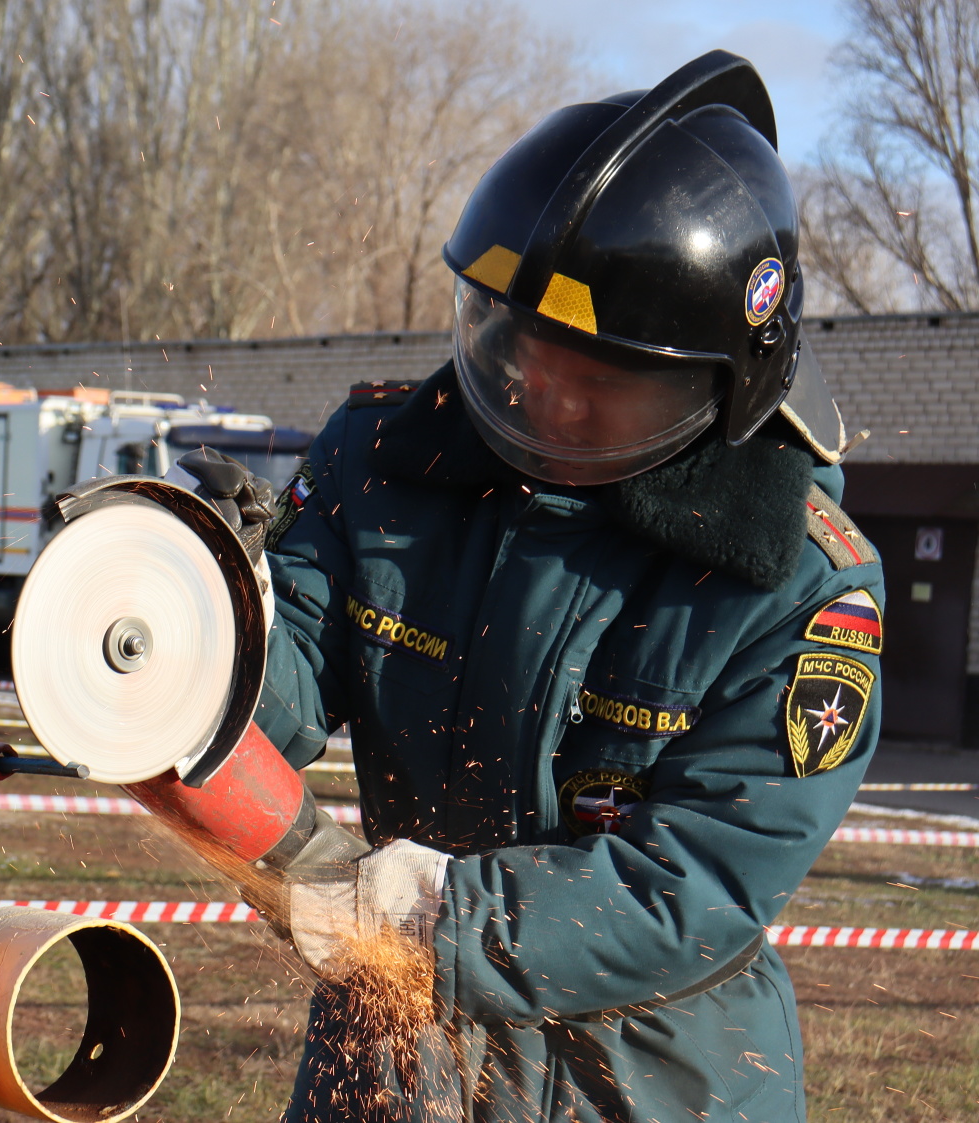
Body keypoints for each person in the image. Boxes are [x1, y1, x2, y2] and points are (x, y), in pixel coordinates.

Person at [246, 52, 883, 1122]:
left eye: (597, 385)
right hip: (393, 1069)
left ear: (718, 386)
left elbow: (693, 885)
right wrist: (191, 621)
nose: (544, 403)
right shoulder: (386, 466)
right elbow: (276, 682)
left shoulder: (796, 588)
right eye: (519, 355)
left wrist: (423, 919)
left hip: (644, 1083)